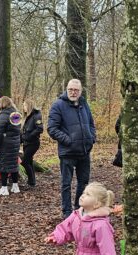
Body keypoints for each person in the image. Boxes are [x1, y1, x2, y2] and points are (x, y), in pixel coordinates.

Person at [48, 79, 97, 218]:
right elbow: (52, 128)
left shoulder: (83, 103)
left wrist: (91, 137)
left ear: (80, 91)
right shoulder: (58, 105)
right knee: (66, 183)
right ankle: (67, 212)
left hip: (84, 151)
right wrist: (68, 141)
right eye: (71, 89)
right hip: (68, 152)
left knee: (84, 182)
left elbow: (91, 123)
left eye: (76, 90)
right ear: (66, 89)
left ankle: (79, 208)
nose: (73, 92)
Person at [0, 96, 22, 196]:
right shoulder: (16, 115)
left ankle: (4, 188)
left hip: (5, 145)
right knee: (13, 164)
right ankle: (15, 187)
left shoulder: (2, 116)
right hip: (15, 143)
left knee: (3, 165)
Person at [20, 99, 43, 188]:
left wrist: (28, 137)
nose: (24, 107)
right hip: (26, 143)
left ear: (29, 106)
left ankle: (31, 182)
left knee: (25, 162)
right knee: (29, 161)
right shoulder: (27, 116)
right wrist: (21, 140)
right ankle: (32, 182)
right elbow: (23, 131)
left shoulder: (37, 115)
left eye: (25, 105)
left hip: (33, 143)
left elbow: (39, 129)